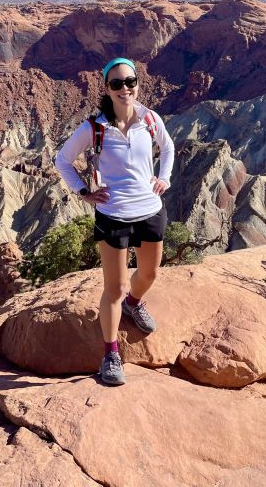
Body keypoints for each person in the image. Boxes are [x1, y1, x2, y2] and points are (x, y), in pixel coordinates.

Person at [55, 57, 175, 386]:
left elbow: (168, 147)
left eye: (130, 81)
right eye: (117, 83)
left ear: (138, 83)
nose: (125, 89)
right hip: (114, 215)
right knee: (115, 288)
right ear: (106, 88)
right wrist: (83, 192)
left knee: (149, 273)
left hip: (150, 209)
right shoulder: (93, 128)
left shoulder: (150, 119)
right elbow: (62, 160)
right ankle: (110, 353)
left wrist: (163, 177)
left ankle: (134, 305)